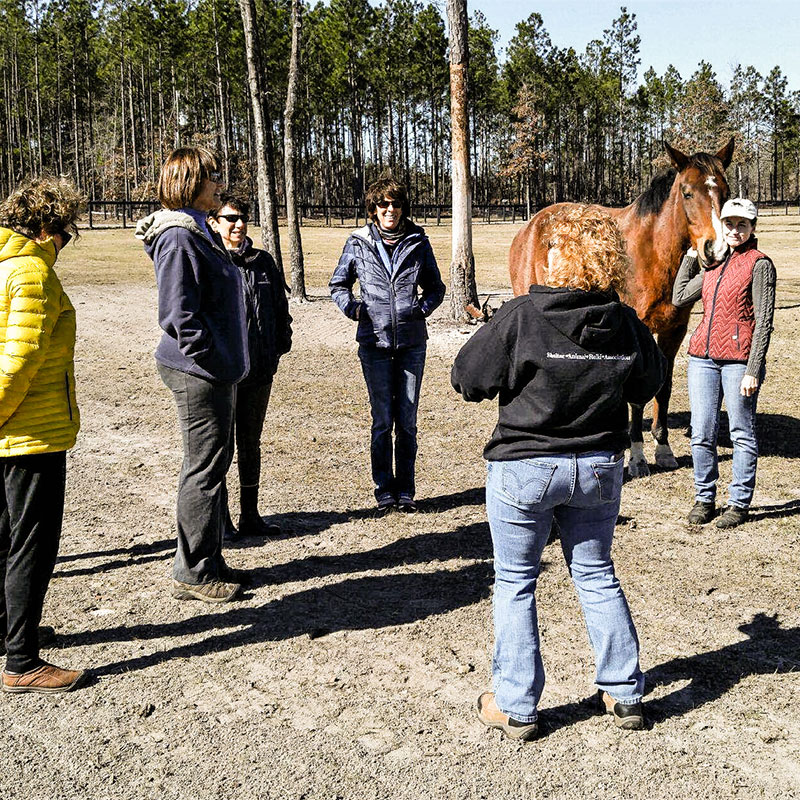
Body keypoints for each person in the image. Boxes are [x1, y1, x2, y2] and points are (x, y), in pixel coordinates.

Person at [452, 206, 666, 740]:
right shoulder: (623, 321)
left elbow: (468, 377)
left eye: (550, 248)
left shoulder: (523, 315)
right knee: (595, 574)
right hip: (597, 468)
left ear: (562, 257)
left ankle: (517, 704)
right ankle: (624, 693)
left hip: (525, 466)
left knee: (515, 581)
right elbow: (649, 383)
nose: (541, 256)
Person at [136, 147, 249, 603]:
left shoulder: (197, 229)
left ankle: (207, 558)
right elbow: (178, 316)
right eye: (212, 177)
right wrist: (215, 361)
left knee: (212, 465)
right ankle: (194, 572)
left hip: (213, 370)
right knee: (202, 469)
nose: (220, 184)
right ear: (189, 182)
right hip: (198, 372)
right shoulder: (179, 237)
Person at [0, 178, 86, 693]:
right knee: (31, 543)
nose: (67, 240)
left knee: (4, 537)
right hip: (31, 433)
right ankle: (22, 661)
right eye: (66, 230)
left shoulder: (5, 265)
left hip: (15, 432)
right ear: (46, 229)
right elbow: (20, 360)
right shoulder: (32, 271)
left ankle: (9, 633)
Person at [330, 178, 445, 514]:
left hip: (411, 344)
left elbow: (435, 288)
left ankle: (406, 491)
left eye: (395, 204)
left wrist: (419, 310)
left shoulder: (418, 241)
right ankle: (384, 491)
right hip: (374, 343)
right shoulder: (358, 243)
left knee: (406, 421)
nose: (389, 211)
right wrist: (354, 309)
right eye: (383, 205)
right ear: (373, 210)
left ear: (402, 208)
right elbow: (338, 283)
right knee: (382, 420)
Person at [672, 198, 776, 529]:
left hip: (738, 361)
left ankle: (739, 502)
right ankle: (705, 498)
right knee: (701, 432)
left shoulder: (759, 264)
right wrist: (692, 256)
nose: (734, 230)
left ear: (753, 228)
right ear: (722, 226)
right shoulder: (713, 263)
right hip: (702, 357)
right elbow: (679, 296)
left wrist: (753, 369)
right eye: (729, 224)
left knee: (741, 432)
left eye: (742, 225)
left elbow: (765, 321)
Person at [207, 195, 292, 539]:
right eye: (230, 218)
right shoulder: (209, 261)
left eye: (243, 218)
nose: (239, 224)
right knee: (222, 447)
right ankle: (222, 518)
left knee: (250, 444)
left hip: (259, 370)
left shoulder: (263, 262)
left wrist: (278, 345)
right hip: (224, 374)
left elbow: (280, 309)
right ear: (213, 222)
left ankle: (250, 514)